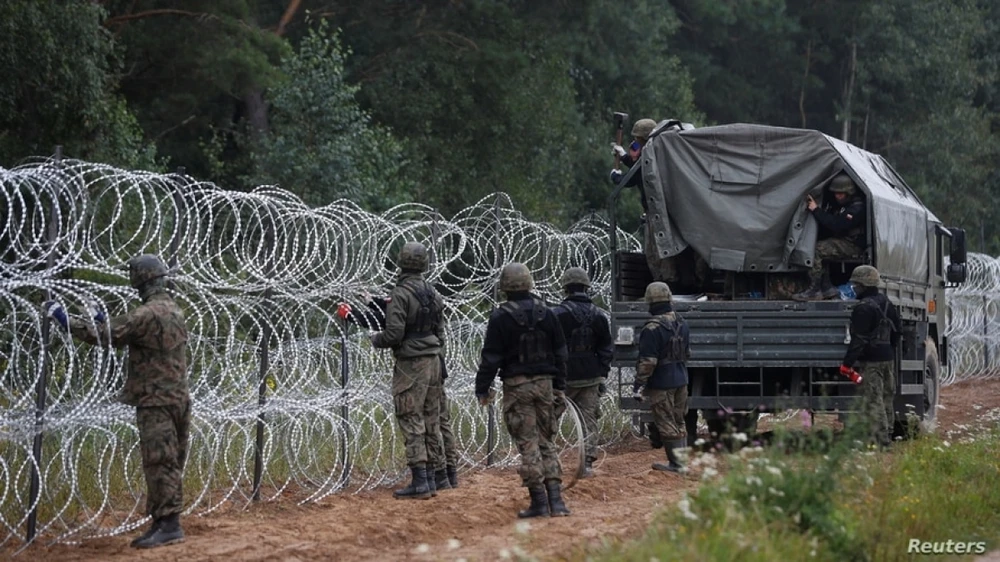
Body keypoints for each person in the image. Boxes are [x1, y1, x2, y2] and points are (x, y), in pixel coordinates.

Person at [45, 254, 190, 549]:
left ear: (139, 279)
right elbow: (130, 336)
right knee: (170, 461)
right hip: (178, 398)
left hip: (156, 400)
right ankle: (163, 523)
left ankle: (169, 525)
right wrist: (104, 321)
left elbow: (105, 335)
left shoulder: (145, 314)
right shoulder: (174, 310)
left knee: (159, 462)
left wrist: (64, 319)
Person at [475, 262, 570, 518]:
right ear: (529, 282)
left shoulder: (500, 317)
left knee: (528, 444)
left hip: (518, 388)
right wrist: (560, 386)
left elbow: (491, 358)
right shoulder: (548, 313)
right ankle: (557, 502)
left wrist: (482, 388)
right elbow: (561, 354)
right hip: (545, 385)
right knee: (547, 441)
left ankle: (539, 502)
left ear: (504, 286)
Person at [338, 292, 459, 489]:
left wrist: (353, 317)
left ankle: (424, 479)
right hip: (436, 364)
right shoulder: (429, 294)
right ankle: (445, 474)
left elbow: (389, 324)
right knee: (438, 420)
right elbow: (398, 312)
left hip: (415, 366)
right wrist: (373, 301)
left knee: (414, 418)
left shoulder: (403, 295)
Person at [370, 242, 447, 499]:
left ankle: (420, 481)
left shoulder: (401, 294)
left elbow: (394, 333)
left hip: (412, 363)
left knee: (410, 417)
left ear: (401, 263)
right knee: (431, 418)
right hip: (434, 360)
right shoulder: (433, 293)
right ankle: (436, 478)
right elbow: (440, 332)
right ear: (424, 264)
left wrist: (374, 339)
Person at [551, 267, 613, 477]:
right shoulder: (599, 316)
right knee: (589, 421)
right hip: (590, 377)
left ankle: (548, 464)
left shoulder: (556, 314)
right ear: (587, 288)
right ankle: (586, 466)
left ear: (565, 288)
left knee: (548, 420)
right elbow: (606, 348)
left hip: (562, 377)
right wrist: (601, 371)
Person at [633, 282, 690, 473]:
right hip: (681, 379)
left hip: (662, 382)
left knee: (665, 422)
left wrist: (638, 384)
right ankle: (682, 462)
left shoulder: (651, 329)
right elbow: (687, 353)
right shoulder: (682, 323)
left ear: (649, 302)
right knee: (679, 420)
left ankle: (676, 464)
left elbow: (648, 361)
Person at [841, 265, 900, 448]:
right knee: (886, 398)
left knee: (874, 400)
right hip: (888, 358)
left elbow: (858, 340)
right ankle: (888, 433)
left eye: (856, 285)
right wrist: (890, 350)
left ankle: (881, 441)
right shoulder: (887, 303)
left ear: (863, 285)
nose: (854, 288)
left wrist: (847, 364)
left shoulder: (863, 308)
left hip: (872, 361)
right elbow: (898, 331)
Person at [794, 172, 867, 301]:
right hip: (845, 242)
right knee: (824, 248)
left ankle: (814, 289)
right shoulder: (842, 205)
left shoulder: (856, 208)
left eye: (841, 193)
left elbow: (838, 225)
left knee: (818, 250)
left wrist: (816, 210)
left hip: (853, 245)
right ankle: (827, 287)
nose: (837, 196)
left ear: (849, 192)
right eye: (836, 193)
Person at [610, 118, 656, 186]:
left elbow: (634, 177)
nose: (635, 141)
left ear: (646, 139)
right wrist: (624, 157)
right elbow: (637, 165)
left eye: (638, 138)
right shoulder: (653, 150)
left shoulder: (653, 156)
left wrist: (616, 177)